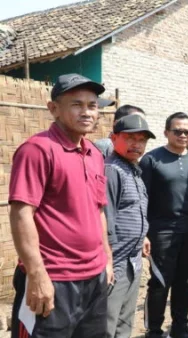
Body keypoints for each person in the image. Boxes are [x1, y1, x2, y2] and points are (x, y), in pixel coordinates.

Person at [9, 73, 112, 338]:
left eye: (92, 105)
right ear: (53, 108)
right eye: (77, 104)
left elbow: (97, 210)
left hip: (94, 277)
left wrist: (106, 260)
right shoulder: (38, 149)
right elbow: (22, 213)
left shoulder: (95, 154)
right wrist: (37, 275)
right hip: (53, 279)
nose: (87, 112)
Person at [140, 112, 188, 338]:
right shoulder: (151, 160)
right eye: (177, 131)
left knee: (185, 282)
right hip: (161, 232)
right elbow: (141, 199)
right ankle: (154, 331)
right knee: (159, 282)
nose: (182, 135)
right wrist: (144, 233)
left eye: (187, 131)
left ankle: (180, 328)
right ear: (166, 132)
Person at [104, 115, 154, 338]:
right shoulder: (112, 170)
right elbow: (105, 218)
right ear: (114, 138)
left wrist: (142, 236)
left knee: (125, 322)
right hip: (115, 261)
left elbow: (133, 210)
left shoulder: (133, 170)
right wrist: (107, 260)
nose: (137, 144)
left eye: (142, 139)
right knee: (107, 322)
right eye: (130, 138)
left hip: (132, 260)